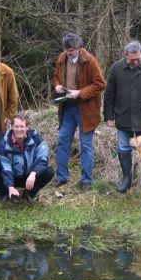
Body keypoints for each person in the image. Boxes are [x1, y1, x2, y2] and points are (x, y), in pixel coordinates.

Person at [103, 40, 141, 193]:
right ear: (125, 56)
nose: (136, 62)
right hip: (123, 117)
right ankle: (127, 179)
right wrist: (108, 115)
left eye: (138, 59)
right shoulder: (116, 68)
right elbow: (109, 94)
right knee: (123, 149)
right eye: (132, 59)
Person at [53, 33, 106, 192]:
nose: (69, 53)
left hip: (86, 110)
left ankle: (86, 181)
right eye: (67, 49)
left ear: (79, 47)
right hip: (67, 107)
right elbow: (56, 77)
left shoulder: (89, 61)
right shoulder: (62, 59)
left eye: (72, 50)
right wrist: (57, 86)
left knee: (86, 145)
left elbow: (100, 84)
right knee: (62, 141)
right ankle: (61, 177)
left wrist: (80, 93)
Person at [0, 113, 54, 202]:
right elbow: (5, 167)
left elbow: (42, 158)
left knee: (49, 171)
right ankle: (5, 193)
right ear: (12, 127)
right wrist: (10, 186)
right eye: (16, 126)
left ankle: (28, 194)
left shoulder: (36, 138)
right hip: (11, 176)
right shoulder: (4, 143)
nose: (19, 129)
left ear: (27, 127)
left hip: (29, 178)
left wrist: (34, 173)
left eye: (22, 126)